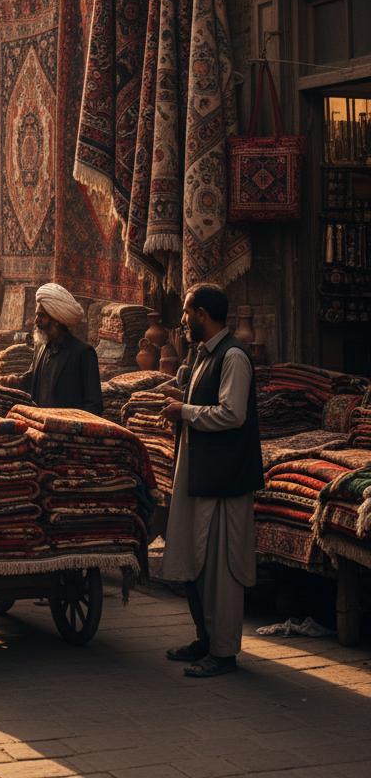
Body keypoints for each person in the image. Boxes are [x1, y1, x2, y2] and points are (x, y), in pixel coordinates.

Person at [158, 283, 263, 678]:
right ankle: (204, 639)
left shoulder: (233, 355)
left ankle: (223, 652)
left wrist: (184, 410)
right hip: (203, 473)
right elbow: (206, 404)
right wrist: (180, 400)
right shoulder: (204, 354)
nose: (182, 320)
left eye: (186, 312)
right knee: (195, 562)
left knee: (221, 568)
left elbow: (232, 414)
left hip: (225, 480)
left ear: (202, 313)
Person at [0, 283, 103, 415]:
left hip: (67, 430)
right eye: (37, 315)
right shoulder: (41, 347)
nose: (36, 321)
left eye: (41, 316)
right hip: (40, 427)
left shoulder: (83, 353)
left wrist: (74, 429)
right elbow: (32, 379)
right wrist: (8, 381)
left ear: (56, 320)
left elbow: (94, 406)